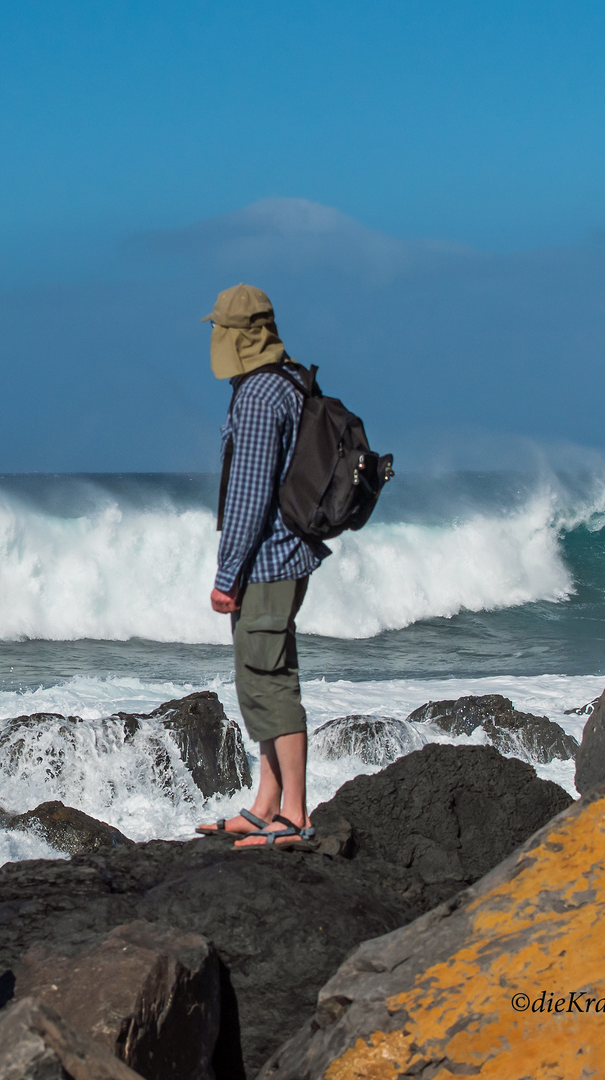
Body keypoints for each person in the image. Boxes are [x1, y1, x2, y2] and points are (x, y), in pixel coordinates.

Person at [193, 283, 329, 848]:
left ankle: (293, 816)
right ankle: (265, 804)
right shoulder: (291, 381)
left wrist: (227, 578)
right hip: (286, 553)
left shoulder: (256, 397)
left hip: (267, 561)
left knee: (269, 684)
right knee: (261, 678)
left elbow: (248, 496)